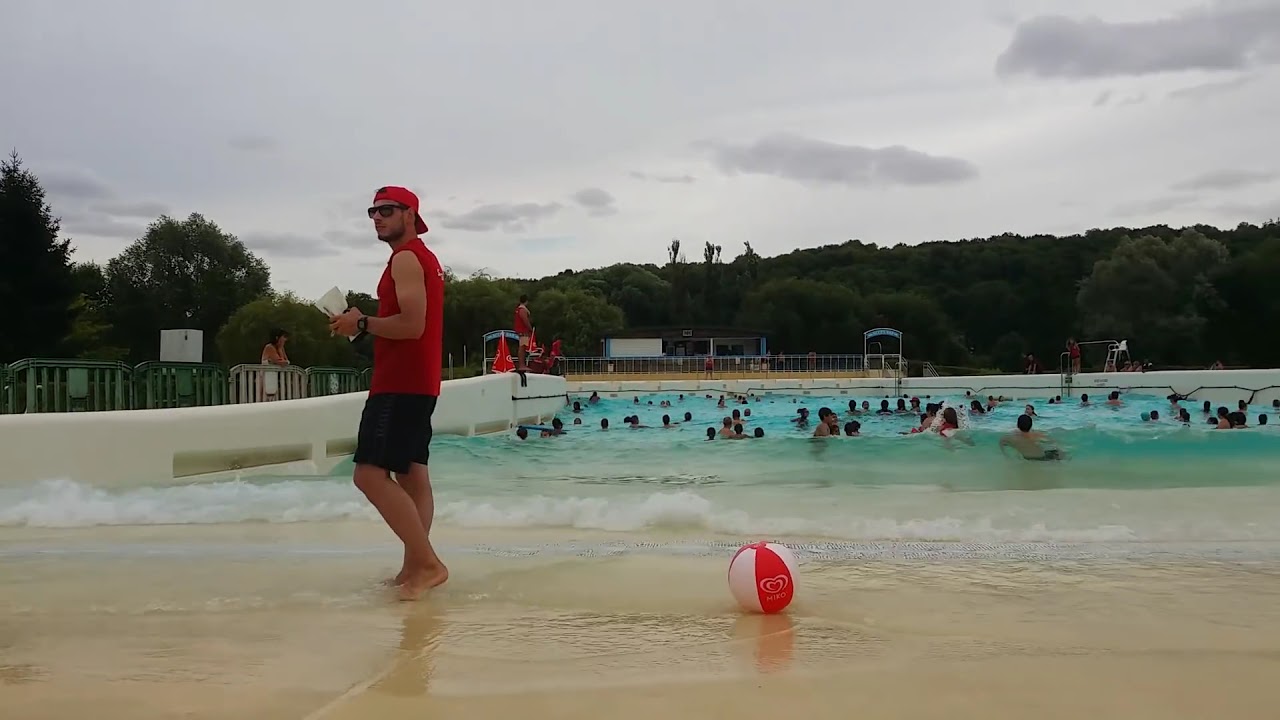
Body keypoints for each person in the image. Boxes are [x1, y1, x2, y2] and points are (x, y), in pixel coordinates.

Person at [329, 185, 447, 601]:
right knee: (412, 475)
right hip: (419, 382)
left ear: (410, 214)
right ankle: (414, 569)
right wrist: (361, 324)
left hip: (400, 383)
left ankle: (428, 564)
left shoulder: (406, 258)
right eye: (372, 211)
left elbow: (411, 326)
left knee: (368, 475)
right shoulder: (424, 260)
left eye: (387, 210)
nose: (377, 217)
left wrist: (361, 324)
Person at [259, 328, 290, 401]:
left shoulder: (280, 348)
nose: (285, 340)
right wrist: (280, 349)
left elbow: (286, 361)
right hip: (265, 377)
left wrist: (280, 349)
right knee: (265, 396)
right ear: (277, 338)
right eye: (284, 337)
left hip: (273, 377)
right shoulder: (269, 347)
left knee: (273, 395)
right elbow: (281, 362)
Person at [514, 295, 533, 371]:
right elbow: (525, 320)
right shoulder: (522, 309)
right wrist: (530, 328)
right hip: (523, 330)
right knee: (522, 347)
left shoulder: (519, 309)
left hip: (521, 330)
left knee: (523, 346)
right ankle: (522, 365)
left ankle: (522, 364)